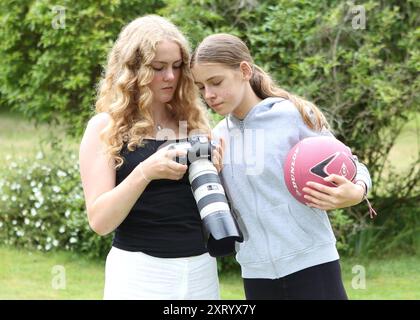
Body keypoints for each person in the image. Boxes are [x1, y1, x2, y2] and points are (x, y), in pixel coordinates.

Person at [191, 33, 375, 300]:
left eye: (216, 82)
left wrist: (357, 191)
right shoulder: (216, 138)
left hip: (313, 265)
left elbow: (356, 166)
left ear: (244, 70)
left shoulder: (293, 115)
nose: (209, 95)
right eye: (201, 88)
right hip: (256, 275)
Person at [79, 15, 223, 300]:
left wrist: (218, 172)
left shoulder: (194, 123)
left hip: (201, 270)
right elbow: (100, 221)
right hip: (139, 274)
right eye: (158, 68)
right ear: (132, 70)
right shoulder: (104, 128)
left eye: (177, 66)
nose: (170, 76)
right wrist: (145, 171)